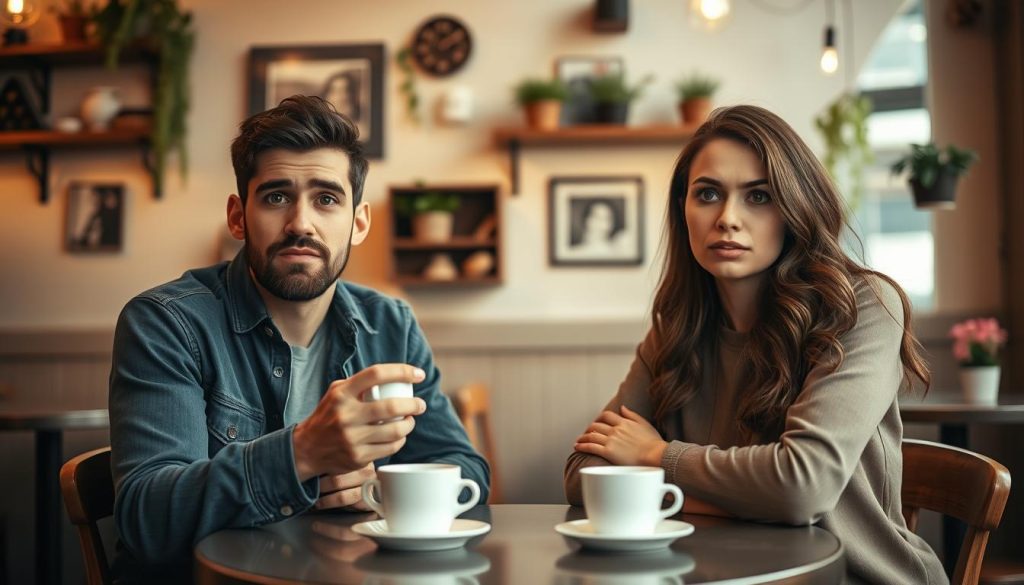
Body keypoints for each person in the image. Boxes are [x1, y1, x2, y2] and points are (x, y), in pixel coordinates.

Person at [109, 95, 489, 578]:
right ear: (237, 216)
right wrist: (302, 452)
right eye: (275, 196)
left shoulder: (390, 325)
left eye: (326, 198)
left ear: (359, 223)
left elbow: (465, 469)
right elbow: (148, 519)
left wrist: (378, 486)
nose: (300, 224)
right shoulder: (165, 323)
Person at [564, 105, 946, 584]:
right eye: (707, 194)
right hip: (721, 574)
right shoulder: (676, 328)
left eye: (759, 196)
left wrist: (655, 456)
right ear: (683, 209)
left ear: (795, 209)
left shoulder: (862, 308)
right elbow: (583, 473)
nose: (727, 219)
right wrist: (748, 499)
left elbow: (801, 486)